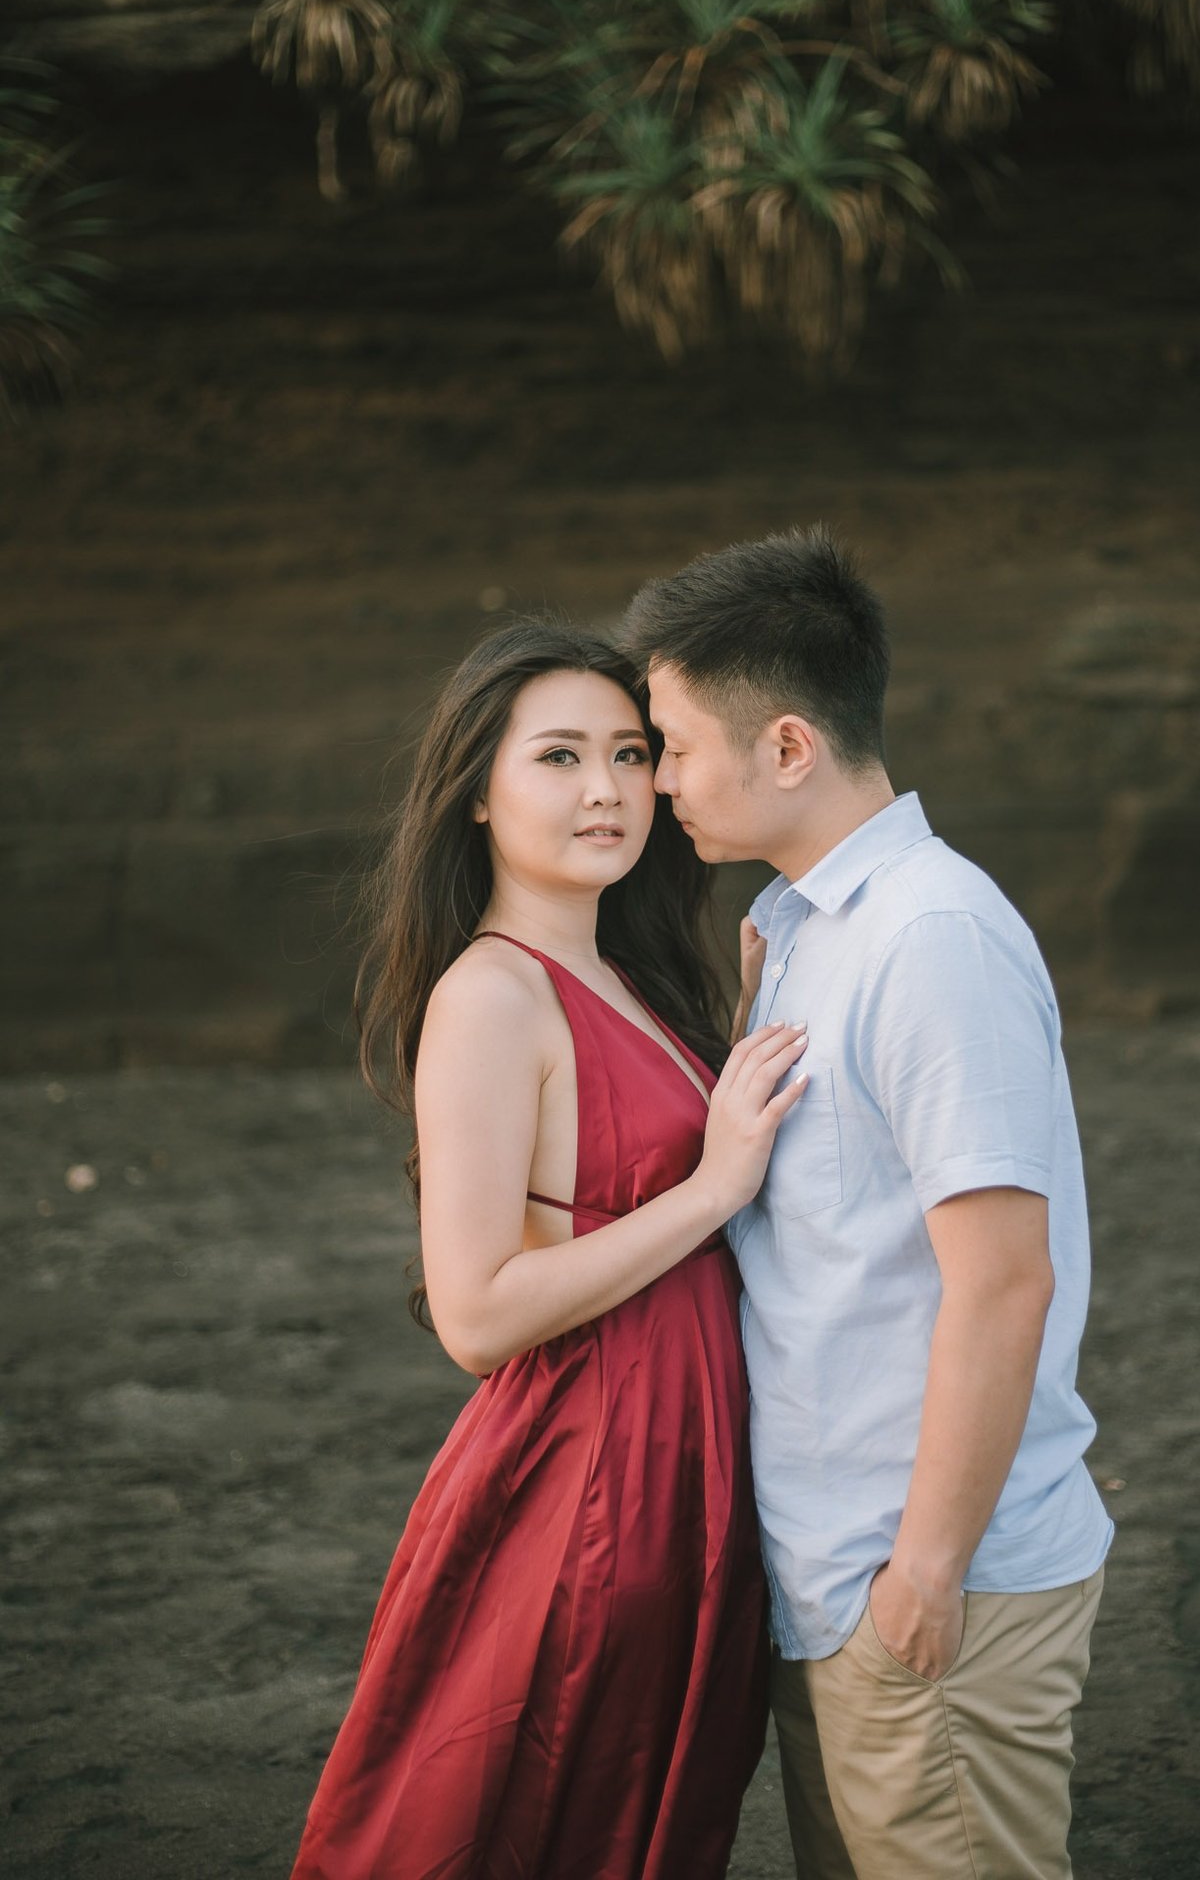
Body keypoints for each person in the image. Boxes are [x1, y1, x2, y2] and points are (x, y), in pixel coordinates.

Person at [621, 529, 1115, 1880]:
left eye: (671, 746)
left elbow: (1006, 1278)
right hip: (832, 1576)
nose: (657, 783)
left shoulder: (930, 940)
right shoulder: (794, 930)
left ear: (787, 747)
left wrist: (927, 1573)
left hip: (927, 1585)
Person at [289, 619, 808, 1880]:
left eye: (631, 755)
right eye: (560, 757)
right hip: (589, 1488)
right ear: (476, 792)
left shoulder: (628, 972)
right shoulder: (490, 995)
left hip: (684, 1478)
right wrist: (715, 1185)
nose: (606, 791)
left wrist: (736, 1032)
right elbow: (476, 1314)